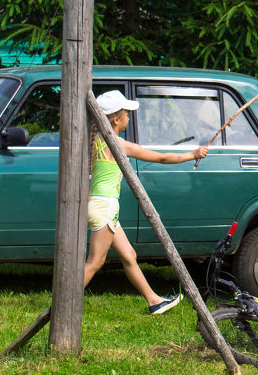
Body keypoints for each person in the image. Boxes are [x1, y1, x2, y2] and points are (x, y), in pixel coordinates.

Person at [83, 90, 209, 315]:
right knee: (95, 262)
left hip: (99, 205)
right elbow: (160, 157)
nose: (129, 118)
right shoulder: (118, 145)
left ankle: (154, 301)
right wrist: (193, 154)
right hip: (106, 207)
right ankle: (62, 302)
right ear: (115, 119)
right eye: (126, 114)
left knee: (129, 255)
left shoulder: (95, 141)